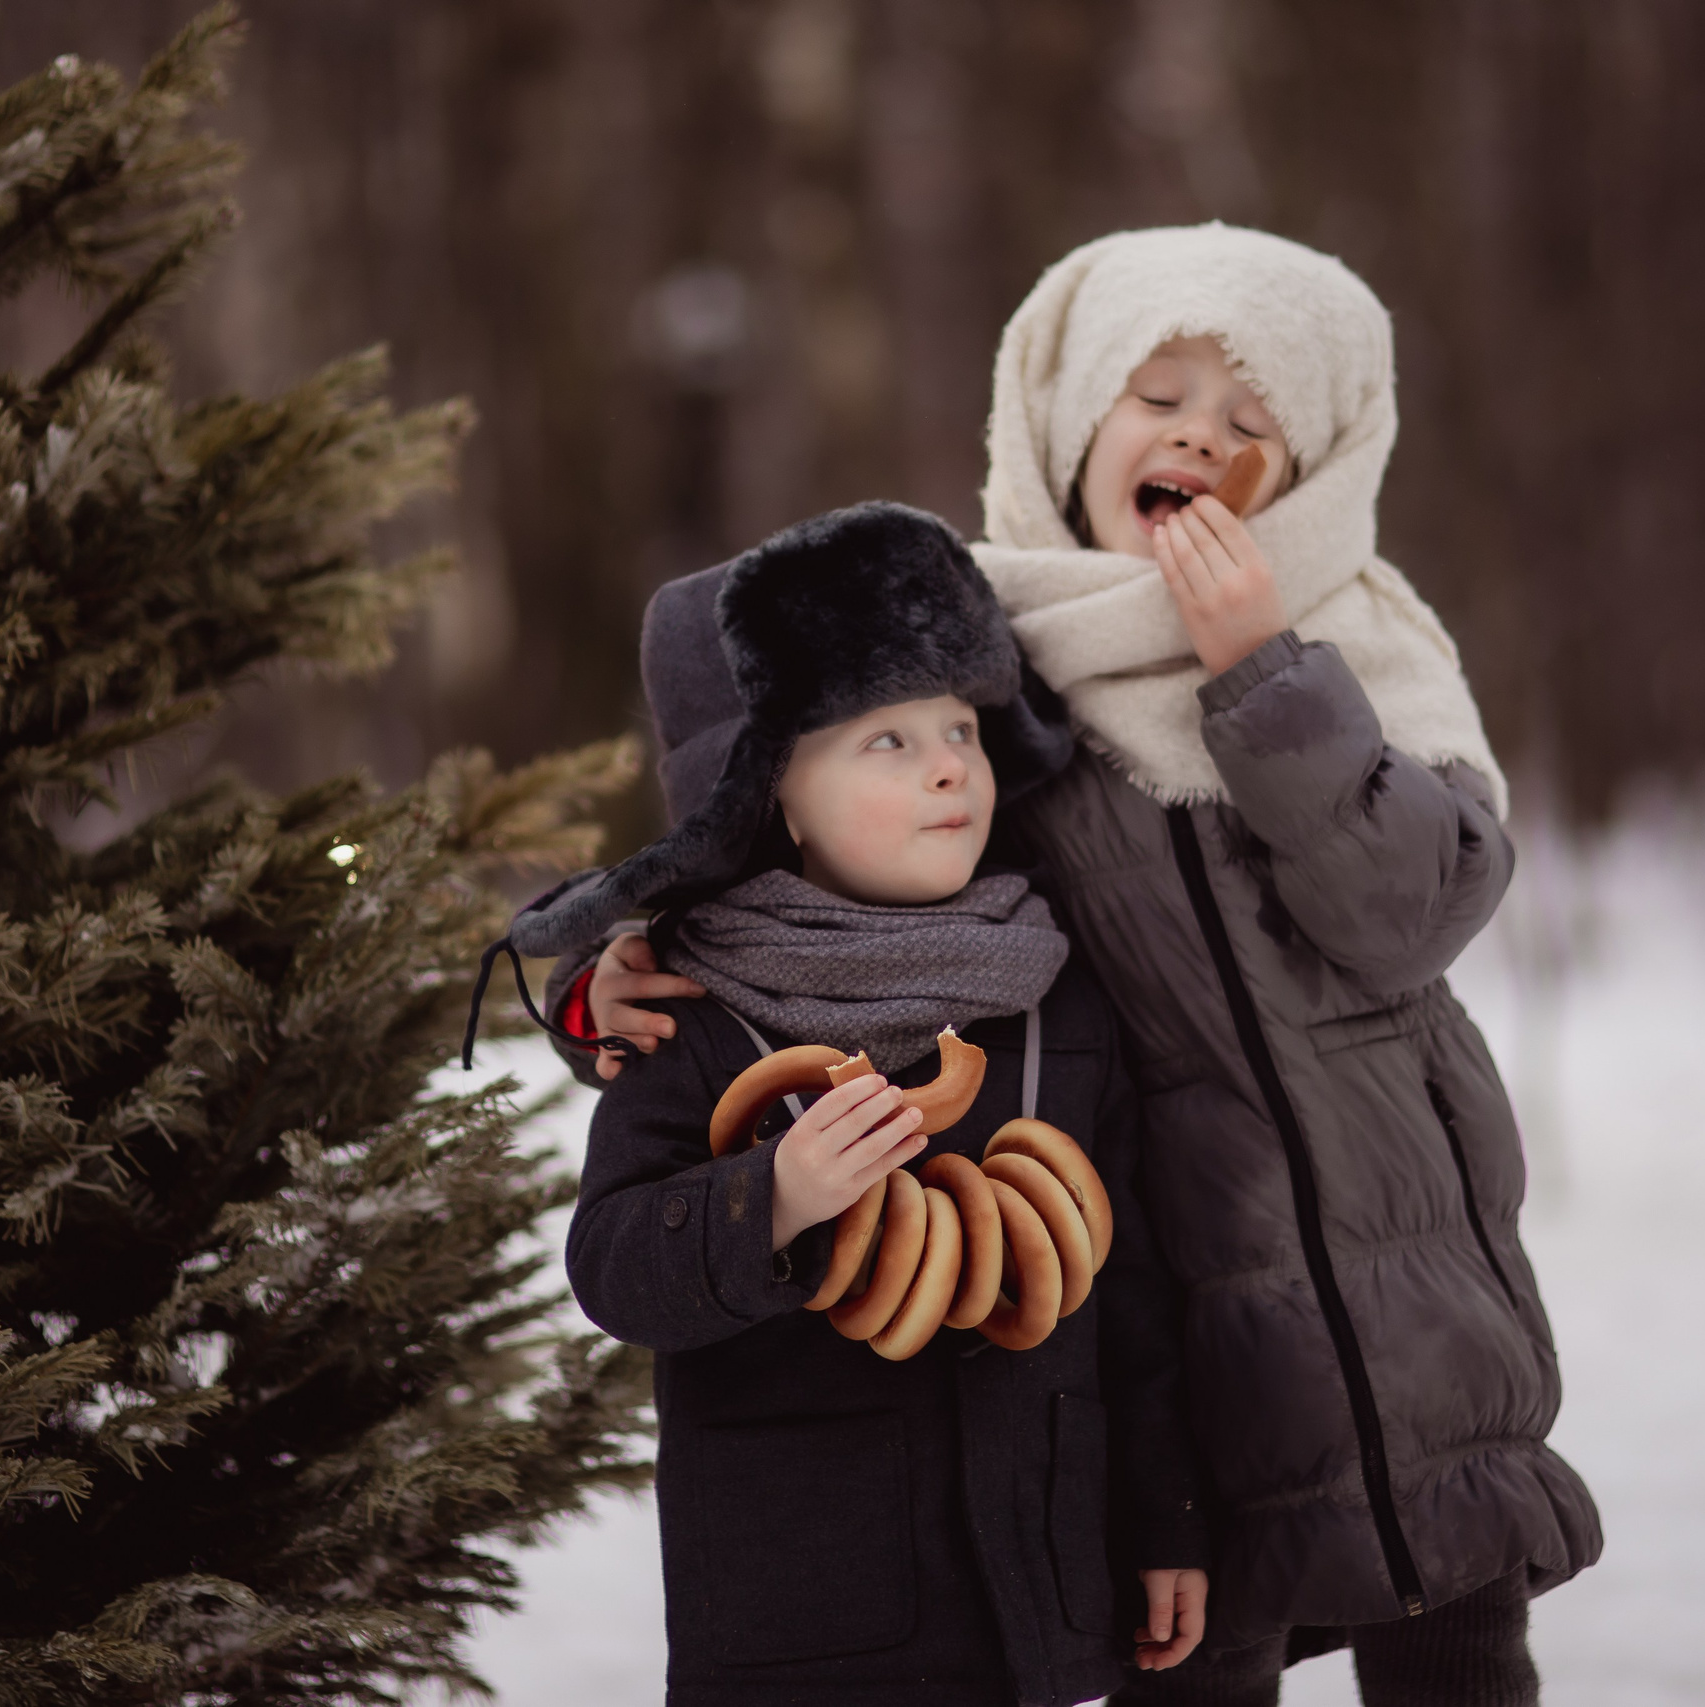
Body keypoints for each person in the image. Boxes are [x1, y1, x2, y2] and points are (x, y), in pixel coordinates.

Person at [556, 225, 1602, 1706]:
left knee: (1455, 1634)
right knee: (1198, 1649)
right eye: (1155, 395)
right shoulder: (995, 671)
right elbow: (821, 878)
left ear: (1310, 477)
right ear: (1066, 424)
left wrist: (1261, 669)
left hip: (1402, 1283)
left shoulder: (1358, 640)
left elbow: (1412, 911)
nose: (1199, 436)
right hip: (1151, 1281)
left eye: (1253, 422)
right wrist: (614, 977)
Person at [477, 503, 1207, 1707]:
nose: (946, 766)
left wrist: (1164, 1513)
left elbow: (1129, 1291)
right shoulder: (689, 1011)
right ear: (776, 798)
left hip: (1030, 1598)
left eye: (961, 729)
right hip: (798, 1618)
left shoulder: (1052, 998)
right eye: (884, 740)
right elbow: (612, 1264)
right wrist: (773, 1200)